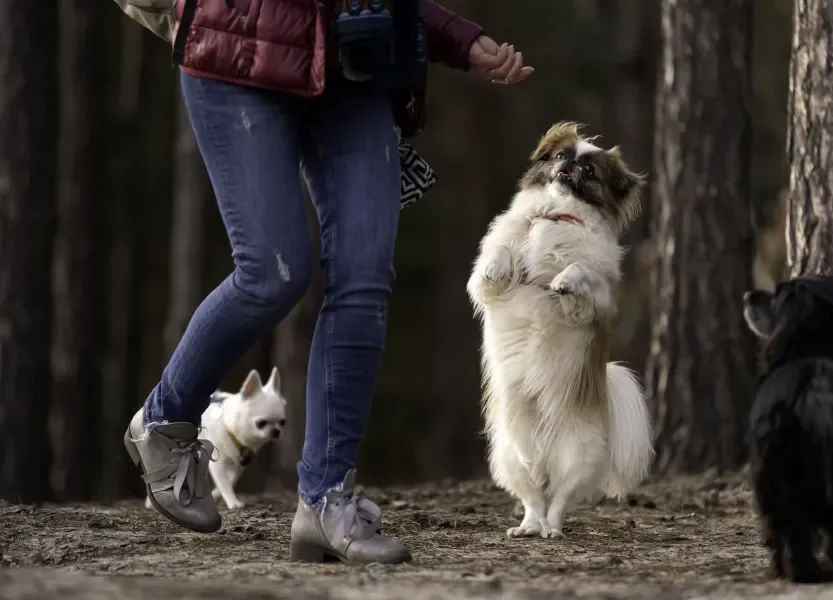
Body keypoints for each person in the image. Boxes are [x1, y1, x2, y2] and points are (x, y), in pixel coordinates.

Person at [114, 0, 532, 565]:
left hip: (356, 71)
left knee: (364, 279)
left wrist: (456, 38)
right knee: (272, 273)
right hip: (239, 61)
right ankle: (164, 422)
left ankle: (326, 500)